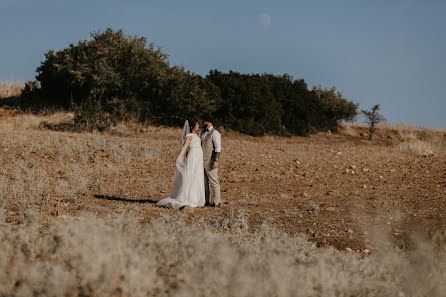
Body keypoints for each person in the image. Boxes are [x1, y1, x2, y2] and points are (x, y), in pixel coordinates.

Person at [156, 120, 205, 209]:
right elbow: (184, 147)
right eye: (196, 124)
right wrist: (179, 157)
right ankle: (188, 197)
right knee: (191, 175)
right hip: (193, 157)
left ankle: (196, 198)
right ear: (191, 126)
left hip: (199, 158)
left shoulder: (197, 135)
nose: (198, 125)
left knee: (197, 176)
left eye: (198, 124)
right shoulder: (189, 136)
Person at [200, 118, 221, 207]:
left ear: (210, 122)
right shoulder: (202, 132)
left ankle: (217, 202)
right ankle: (206, 200)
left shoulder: (215, 133)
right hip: (201, 160)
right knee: (205, 182)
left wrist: (215, 161)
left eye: (205, 121)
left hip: (210, 160)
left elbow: (218, 148)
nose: (203, 123)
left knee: (213, 181)